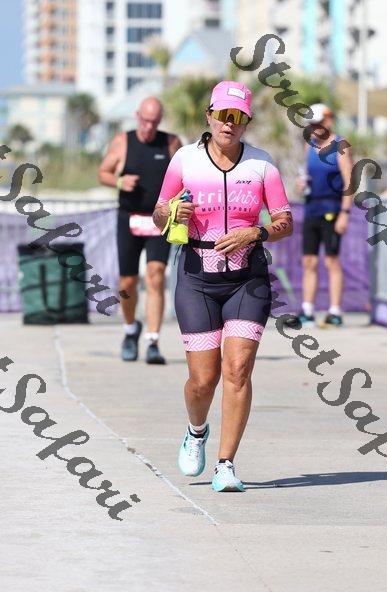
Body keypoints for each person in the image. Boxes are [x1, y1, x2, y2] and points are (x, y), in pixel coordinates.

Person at [153, 81, 292, 492]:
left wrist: (256, 233)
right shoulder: (185, 159)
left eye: (238, 117)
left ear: (247, 121)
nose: (229, 124)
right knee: (203, 379)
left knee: (237, 371)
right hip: (197, 278)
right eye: (223, 115)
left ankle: (226, 464)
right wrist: (172, 212)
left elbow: (285, 221)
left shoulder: (262, 164)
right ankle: (196, 430)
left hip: (247, 280)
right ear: (209, 116)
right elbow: (159, 214)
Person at [98, 97, 181, 363]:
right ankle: (130, 328)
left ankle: (153, 341)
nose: (148, 127)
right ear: (137, 116)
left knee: (156, 276)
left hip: (159, 220)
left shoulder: (171, 143)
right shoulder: (123, 141)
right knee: (128, 282)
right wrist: (119, 181)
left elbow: (184, 177)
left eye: (154, 122)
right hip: (129, 219)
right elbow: (103, 172)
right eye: (145, 121)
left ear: (160, 120)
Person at [288, 103, 353, 328]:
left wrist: (345, 213)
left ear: (328, 120)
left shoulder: (340, 145)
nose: (314, 128)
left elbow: (349, 183)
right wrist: (300, 185)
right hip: (311, 209)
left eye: (317, 123)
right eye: (311, 124)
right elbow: (306, 178)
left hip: (332, 209)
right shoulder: (309, 146)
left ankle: (335, 312)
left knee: (331, 260)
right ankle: (307, 311)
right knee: (309, 261)